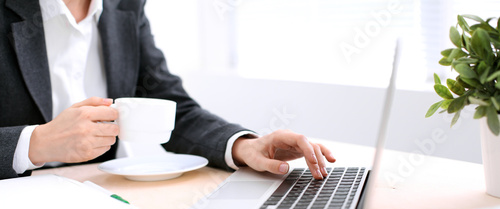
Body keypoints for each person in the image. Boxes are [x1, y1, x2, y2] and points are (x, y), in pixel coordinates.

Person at [0, 0, 335, 181]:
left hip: (102, 197)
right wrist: (36, 143)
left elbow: (171, 105)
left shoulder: (125, 6)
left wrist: (246, 146)